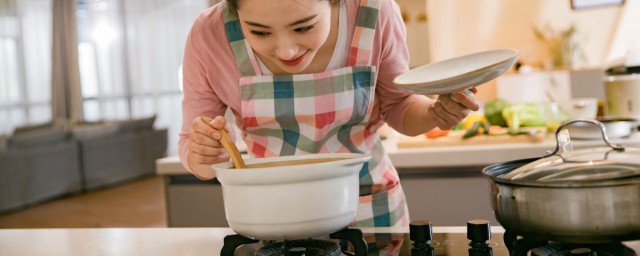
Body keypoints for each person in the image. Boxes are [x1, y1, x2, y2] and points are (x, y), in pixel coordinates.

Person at [179, 0, 479, 228]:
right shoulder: (209, 35)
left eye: (303, 27)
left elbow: (399, 107)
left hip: (368, 211)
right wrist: (204, 152)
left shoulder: (373, 13)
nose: (286, 51)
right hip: (271, 217)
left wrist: (436, 113)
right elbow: (194, 153)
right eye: (259, 32)